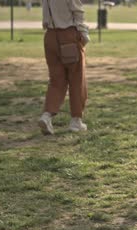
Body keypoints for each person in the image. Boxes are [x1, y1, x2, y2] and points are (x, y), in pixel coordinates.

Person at [39, 0, 90, 135]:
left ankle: (47, 115)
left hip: (50, 35)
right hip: (68, 34)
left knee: (56, 80)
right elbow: (78, 11)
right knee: (77, 79)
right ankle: (76, 120)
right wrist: (84, 34)